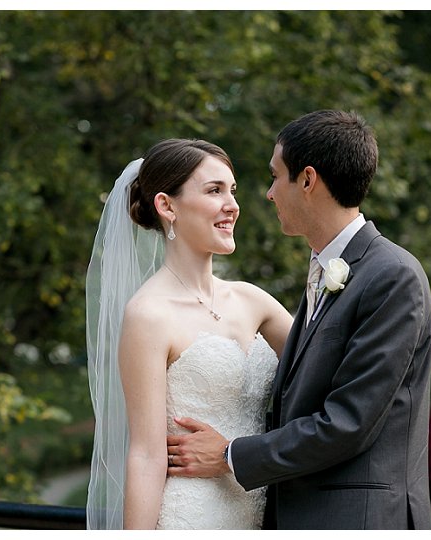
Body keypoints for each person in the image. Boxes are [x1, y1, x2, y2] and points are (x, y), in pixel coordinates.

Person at [166, 110, 431, 529]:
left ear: (307, 180)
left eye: (276, 177)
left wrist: (228, 455)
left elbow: (348, 422)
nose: (269, 194)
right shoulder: (326, 271)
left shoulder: (392, 276)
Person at [85, 139, 293, 529]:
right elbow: (146, 455)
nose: (232, 205)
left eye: (232, 191)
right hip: (190, 517)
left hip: (262, 516)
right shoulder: (148, 315)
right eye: (214, 190)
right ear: (167, 206)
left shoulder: (255, 302)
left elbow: (326, 370)